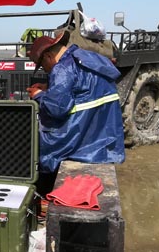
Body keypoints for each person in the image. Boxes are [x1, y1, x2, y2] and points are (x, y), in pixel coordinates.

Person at [27, 30, 125, 190]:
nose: (45, 70)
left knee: (40, 147)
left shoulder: (62, 69)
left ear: (48, 57)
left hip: (82, 144)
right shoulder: (87, 57)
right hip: (103, 139)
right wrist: (50, 88)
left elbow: (57, 109)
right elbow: (83, 89)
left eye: (42, 65)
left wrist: (38, 95)